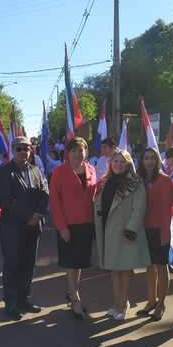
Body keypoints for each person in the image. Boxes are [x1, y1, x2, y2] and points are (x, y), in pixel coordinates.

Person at [0, 136, 49, 321]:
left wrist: (38, 214)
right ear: (12, 150)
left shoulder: (35, 170)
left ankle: (24, 299)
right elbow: (5, 200)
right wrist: (28, 216)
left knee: (28, 265)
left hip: (33, 227)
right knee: (12, 266)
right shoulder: (4, 172)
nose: (23, 152)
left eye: (26, 149)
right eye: (19, 149)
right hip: (13, 228)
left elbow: (44, 193)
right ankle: (10, 303)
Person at [94, 149, 149, 321]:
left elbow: (139, 207)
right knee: (114, 269)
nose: (118, 164)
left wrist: (131, 229)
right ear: (111, 163)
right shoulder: (105, 181)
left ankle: (123, 304)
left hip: (125, 232)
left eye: (122, 162)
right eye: (115, 161)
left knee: (124, 269)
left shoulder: (135, 182)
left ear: (128, 164)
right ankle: (116, 303)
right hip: (108, 230)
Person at [49, 137, 97, 320]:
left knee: (80, 263)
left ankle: (72, 292)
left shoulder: (91, 170)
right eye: (74, 150)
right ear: (67, 153)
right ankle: (75, 298)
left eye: (81, 150)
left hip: (86, 224)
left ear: (86, 152)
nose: (78, 154)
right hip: (68, 225)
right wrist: (62, 227)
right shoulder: (59, 172)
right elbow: (55, 202)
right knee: (71, 264)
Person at [136, 148, 173, 321]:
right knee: (149, 267)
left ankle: (161, 304)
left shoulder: (165, 180)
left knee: (161, 266)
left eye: (152, 158)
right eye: (146, 158)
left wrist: (166, 234)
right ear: (142, 161)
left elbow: (167, 210)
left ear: (157, 160)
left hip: (160, 229)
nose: (149, 161)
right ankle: (151, 300)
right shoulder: (139, 179)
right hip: (144, 229)